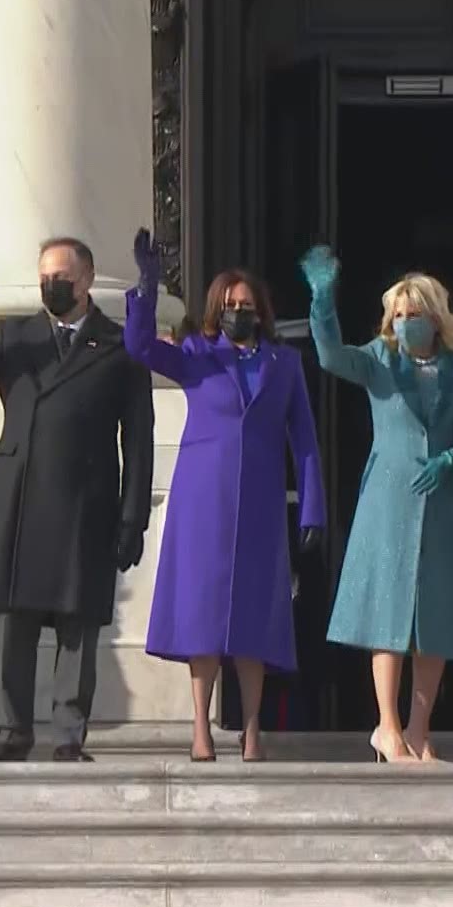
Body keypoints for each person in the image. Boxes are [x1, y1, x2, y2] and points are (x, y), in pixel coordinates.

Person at [0, 238, 154, 763]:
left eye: (62, 277)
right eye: (44, 276)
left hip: (86, 504)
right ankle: (13, 732)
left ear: (87, 281)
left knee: (79, 624)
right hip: (22, 497)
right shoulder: (17, 336)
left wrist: (132, 519)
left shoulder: (118, 347)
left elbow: (138, 443)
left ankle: (69, 735)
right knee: (14, 621)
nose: (51, 286)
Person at [125, 232, 325, 764]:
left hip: (259, 503)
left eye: (247, 305)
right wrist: (148, 286)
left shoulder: (283, 364)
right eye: (230, 305)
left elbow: (303, 438)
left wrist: (313, 506)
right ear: (218, 310)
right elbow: (140, 348)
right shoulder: (197, 355)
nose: (239, 312)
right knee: (203, 616)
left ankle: (253, 728)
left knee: (255, 618)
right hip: (203, 500)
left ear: (261, 310)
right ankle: (200, 727)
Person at [304, 248, 453, 762]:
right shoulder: (379, 359)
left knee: (436, 619)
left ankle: (418, 729)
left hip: (443, 500)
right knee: (388, 614)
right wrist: (322, 302)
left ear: (437, 319)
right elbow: (329, 356)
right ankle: (385, 726)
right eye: (399, 316)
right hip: (389, 498)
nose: (407, 323)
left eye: (416, 315)